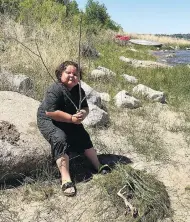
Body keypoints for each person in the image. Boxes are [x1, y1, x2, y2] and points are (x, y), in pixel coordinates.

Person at [37, 61, 110, 197]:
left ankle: (97, 165)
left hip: (69, 118)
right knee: (60, 138)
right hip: (49, 120)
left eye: (75, 74)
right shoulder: (55, 89)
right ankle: (65, 178)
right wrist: (71, 119)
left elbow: (85, 107)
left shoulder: (79, 90)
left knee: (83, 135)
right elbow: (50, 112)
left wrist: (82, 113)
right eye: (68, 73)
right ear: (60, 74)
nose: (72, 76)